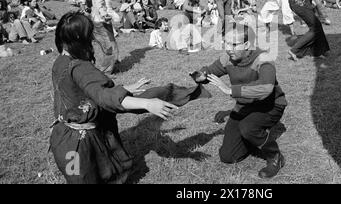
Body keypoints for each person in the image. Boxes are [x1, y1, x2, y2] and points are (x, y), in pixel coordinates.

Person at [50, 12, 217, 184]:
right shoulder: (80, 67)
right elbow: (103, 95)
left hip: (64, 136)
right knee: (84, 177)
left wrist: (123, 89)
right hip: (79, 144)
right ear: (80, 37)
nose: (92, 38)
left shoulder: (60, 61)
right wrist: (146, 103)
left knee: (83, 175)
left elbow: (79, 90)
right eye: (89, 34)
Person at [191, 25, 287, 179]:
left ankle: (275, 156)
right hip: (244, 106)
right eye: (226, 43)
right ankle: (255, 139)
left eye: (234, 44)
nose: (229, 48)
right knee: (228, 156)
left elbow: (266, 88)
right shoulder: (228, 58)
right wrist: (201, 75)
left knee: (248, 127)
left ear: (248, 44)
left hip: (270, 105)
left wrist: (231, 91)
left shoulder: (264, 59)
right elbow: (211, 70)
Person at [90, 0, 120, 73]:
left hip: (101, 19)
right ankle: (107, 70)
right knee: (109, 45)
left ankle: (113, 64)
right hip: (101, 19)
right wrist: (104, 15)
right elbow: (99, 3)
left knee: (110, 42)